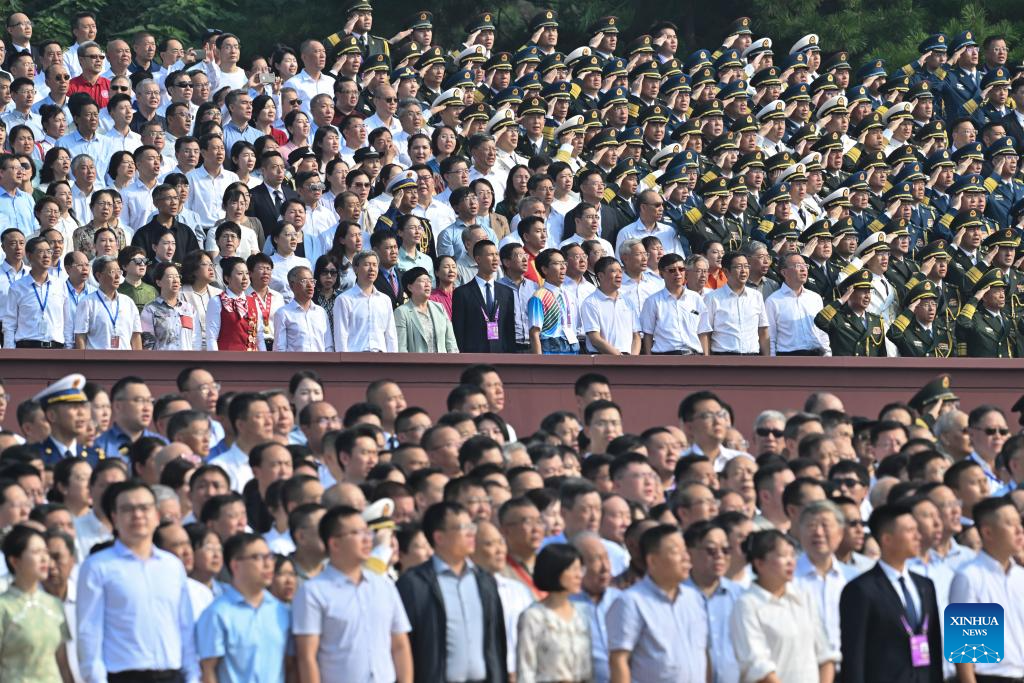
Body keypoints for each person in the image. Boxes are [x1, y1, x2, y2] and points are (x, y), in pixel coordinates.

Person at [77, 480, 199, 682]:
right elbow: (89, 633)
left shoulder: (172, 566)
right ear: (114, 518)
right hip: (125, 676)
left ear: (157, 516)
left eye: (145, 508)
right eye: (127, 509)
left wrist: (192, 676)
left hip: (172, 674)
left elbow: (184, 627)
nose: (138, 515)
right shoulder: (97, 567)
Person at [294, 504, 413, 682]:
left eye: (367, 532)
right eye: (357, 533)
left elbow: (400, 644)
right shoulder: (313, 592)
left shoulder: (384, 586)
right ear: (334, 543)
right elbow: (307, 656)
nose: (367, 539)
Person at [397, 501, 507, 683]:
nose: (471, 533)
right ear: (439, 537)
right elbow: (404, 643)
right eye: (463, 528)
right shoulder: (414, 584)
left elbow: (497, 641)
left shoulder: (485, 581)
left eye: (471, 526)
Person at [839, 503, 943, 683]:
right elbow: (854, 655)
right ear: (887, 539)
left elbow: (933, 643)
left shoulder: (925, 585)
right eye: (910, 531)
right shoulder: (861, 589)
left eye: (917, 530)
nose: (918, 536)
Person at [729, 528, 838, 683]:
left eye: (792, 555)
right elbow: (757, 666)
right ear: (759, 563)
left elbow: (825, 654)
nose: (790, 561)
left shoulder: (803, 597)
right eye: (782, 556)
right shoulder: (747, 605)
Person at [607, 524, 709, 683]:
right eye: (676, 552)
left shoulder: (694, 598)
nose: (686, 557)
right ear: (653, 561)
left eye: (685, 550)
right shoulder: (631, 602)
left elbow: (703, 653)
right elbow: (619, 660)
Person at [196, 532, 292, 683]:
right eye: (258, 557)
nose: (268, 564)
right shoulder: (217, 614)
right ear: (235, 565)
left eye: (270, 557)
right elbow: (208, 671)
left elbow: (290, 665)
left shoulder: (280, 611)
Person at [948, 496, 1024, 682]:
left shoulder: (1020, 576)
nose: (1019, 530)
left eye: (1019, 523)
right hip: (991, 676)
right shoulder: (971, 577)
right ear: (988, 532)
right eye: (1010, 524)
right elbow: (964, 649)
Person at [0, 524, 72, 683]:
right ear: (15, 561)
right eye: (36, 552)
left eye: (45, 552)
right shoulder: (4, 607)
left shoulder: (54, 604)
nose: (45, 559)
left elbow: (62, 663)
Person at [516, 543, 593, 683]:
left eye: (580, 569)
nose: (579, 575)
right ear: (556, 571)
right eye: (573, 570)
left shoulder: (582, 614)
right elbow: (526, 669)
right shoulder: (534, 617)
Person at [74, 255, 143, 350]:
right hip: (98, 357)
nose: (118, 276)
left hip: (125, 357)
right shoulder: (87, 302)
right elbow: (80, 336)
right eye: (112, 272)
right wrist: (83, 359)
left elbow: (136, 336)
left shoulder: (128, 302)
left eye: (119, 271)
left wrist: (138, 359)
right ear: (99, 275)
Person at [394, 266, 459, 353]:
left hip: (442, 361)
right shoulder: (401, 312)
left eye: (429, 281)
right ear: (410, 287)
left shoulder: (439, 308)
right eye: (423, 281)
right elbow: (401, 348)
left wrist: (453, 360)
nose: (427, 284)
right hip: (416, 361)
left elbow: (451, 342)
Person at [273, 265, 332, 352]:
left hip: (321, 360)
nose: (310, 285)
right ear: (292, 285)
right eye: (304, 281)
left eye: (312, 281)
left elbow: (328, 346)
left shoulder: (321, 312)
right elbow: (279, 348)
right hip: (294, 361)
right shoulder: (283, 313)